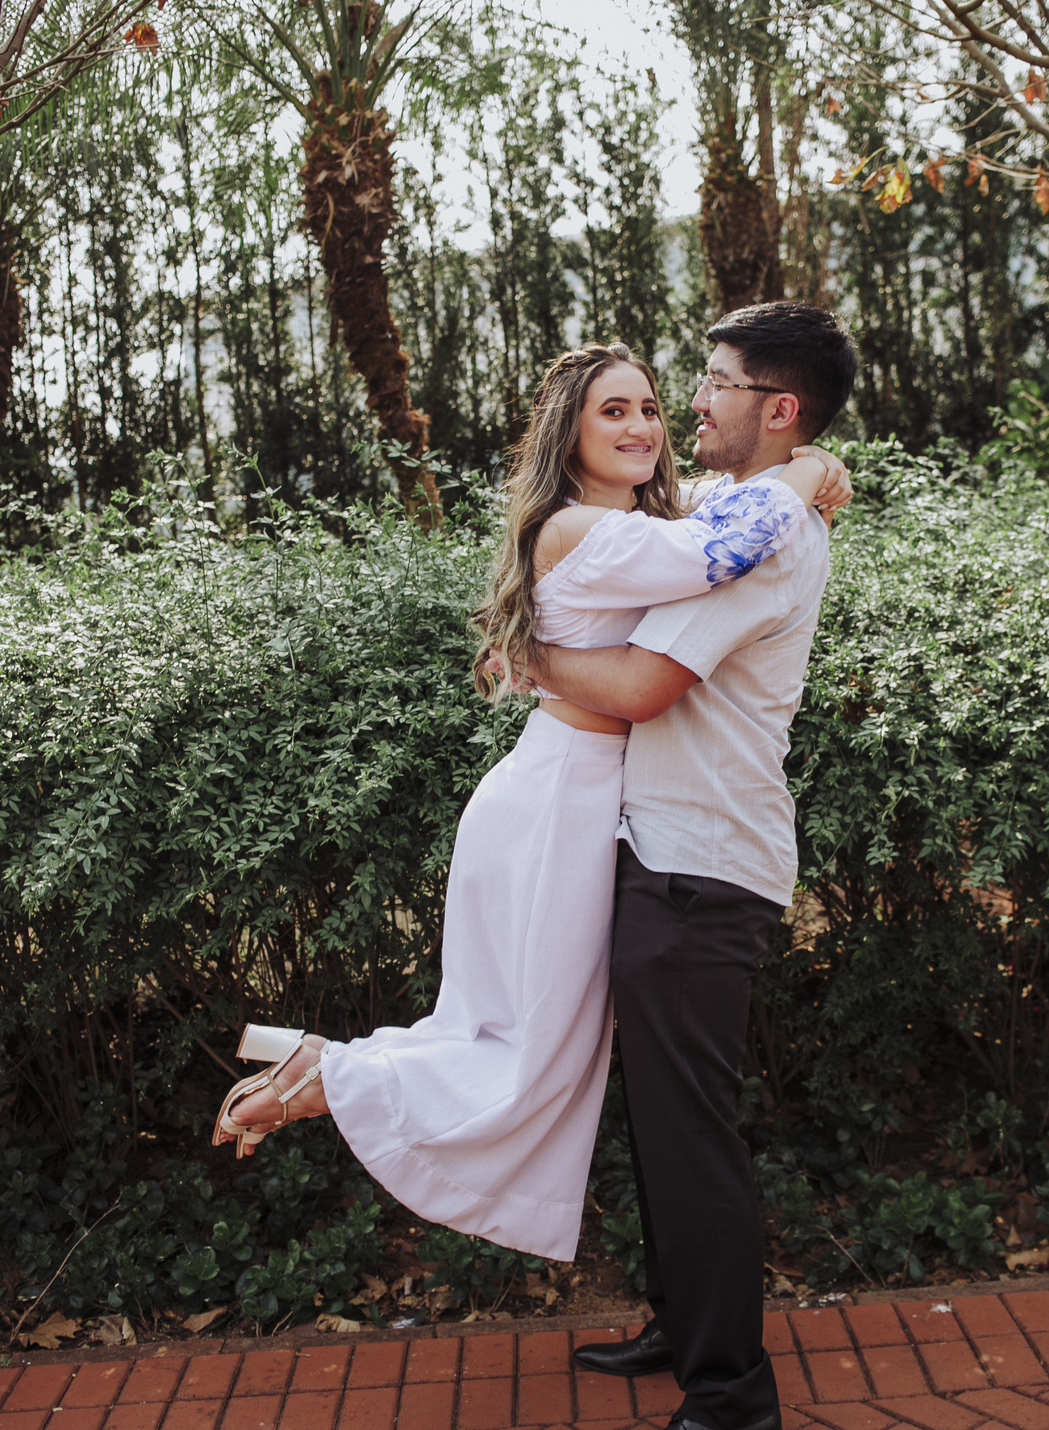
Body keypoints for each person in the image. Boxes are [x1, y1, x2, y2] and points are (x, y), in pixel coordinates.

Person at [211, 341, 851, 1274]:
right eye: (612, 412)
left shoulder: (637, 521)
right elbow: (715, 550)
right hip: (559, 805)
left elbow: (716, 519)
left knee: (524, 1036)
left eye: (650, 408)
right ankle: (332, 1079)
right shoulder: (583, 528)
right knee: (532, 1046)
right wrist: (803, 472)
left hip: (576, 798)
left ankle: (330, 1069)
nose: (645, 424)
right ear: (567, 436)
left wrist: (809, 464)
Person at [511, 302, 858, 1430]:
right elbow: (680, 519)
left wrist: (522, 649)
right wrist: (812, 468)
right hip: (664, 851)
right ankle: (682, 1324)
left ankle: (731, 1399)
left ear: (778, 406)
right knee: (662, 1122)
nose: (690, 402)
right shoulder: (728, 511)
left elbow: (642, 687)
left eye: (714, 384)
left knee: (692, 1134)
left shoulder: (764, 543)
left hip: (702, 866)